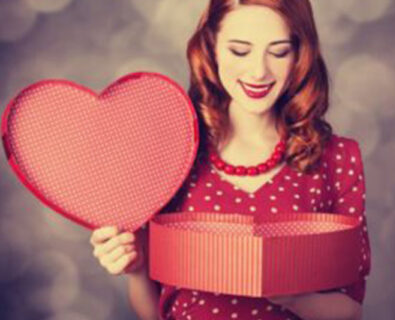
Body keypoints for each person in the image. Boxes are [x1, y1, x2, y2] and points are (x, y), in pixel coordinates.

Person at [89, 1, 371, 319]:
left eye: (278, 52)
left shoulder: (338, 158)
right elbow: (155, 314)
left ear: (299, 54)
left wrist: (295, 297)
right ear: (211, 47)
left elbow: (350, 310)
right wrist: (137, 268)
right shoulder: (171, 151)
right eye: (240, 50)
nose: (259, 71)